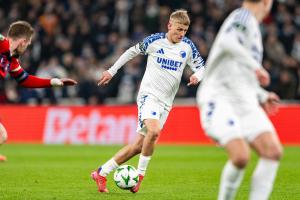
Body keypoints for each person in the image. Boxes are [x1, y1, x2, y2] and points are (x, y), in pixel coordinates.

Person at [91, 9, 205, 193]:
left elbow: (202, 68)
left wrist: (197, 77)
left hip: (166, 103)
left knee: (138, 146)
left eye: (184, 30)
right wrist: (112, 71)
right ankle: (140, 176)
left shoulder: (188, 47)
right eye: (178, 29)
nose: (181, 34)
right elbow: (131, 52)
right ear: (169, 25)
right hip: (149, 96)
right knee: (154, 131)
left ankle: (101, 172)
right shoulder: (155, 41)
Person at [196, 0, 282, 199]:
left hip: (245, 99)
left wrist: (262, 94)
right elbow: (228, 42)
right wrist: (256, 66)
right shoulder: (242, 17)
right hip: (219, 97)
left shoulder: (252, 27)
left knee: (272, 151)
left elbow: (240, 72)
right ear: (267, 2)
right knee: (241, 156)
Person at [0, 21, 77, 162]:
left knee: (2, 136)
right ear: (23, 41)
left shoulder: (12, 60)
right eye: (28, 43)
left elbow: (25, 80)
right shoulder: (2, 43)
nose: (28, 46)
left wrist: (52, 82)